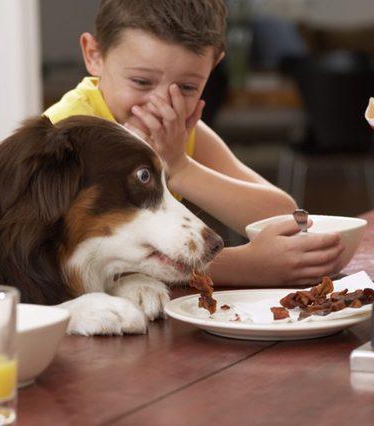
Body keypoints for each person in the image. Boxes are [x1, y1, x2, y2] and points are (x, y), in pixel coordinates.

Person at [44, 0, 344, 287]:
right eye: (141, 82)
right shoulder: (67, 135)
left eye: (187, 88)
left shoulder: (177, 134)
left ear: (213, 66)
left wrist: (180, 167)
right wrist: (244, 265)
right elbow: (66, 260)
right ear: (94, 54)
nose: (163, 104)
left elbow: (284, 217)